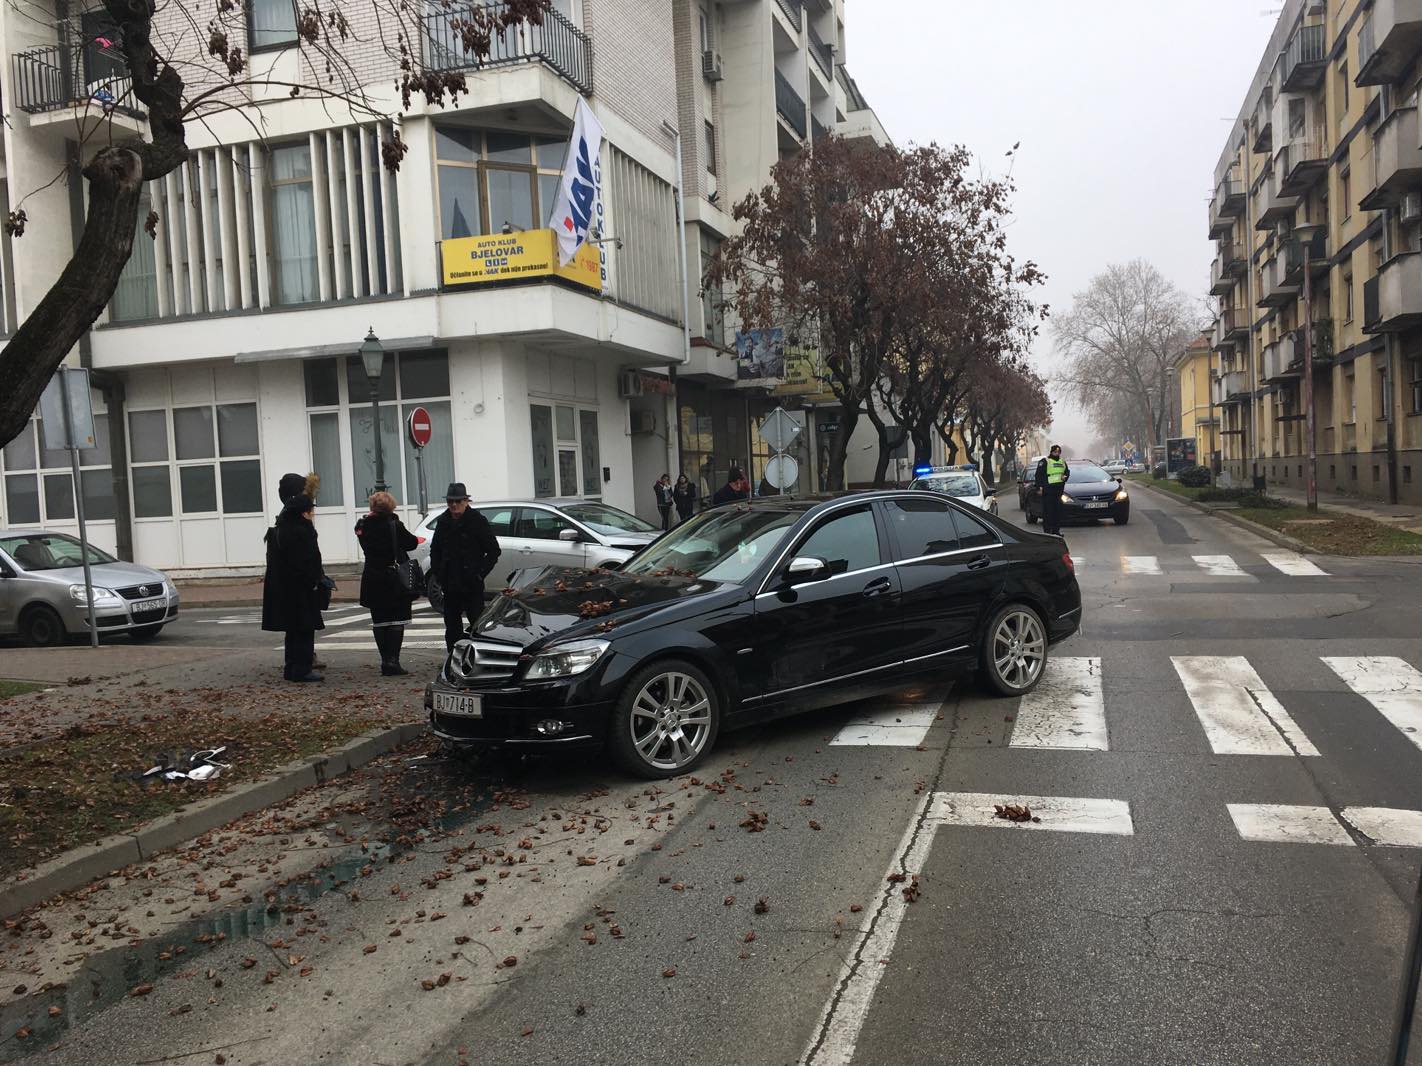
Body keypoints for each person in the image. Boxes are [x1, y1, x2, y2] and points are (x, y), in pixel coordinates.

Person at [429, 482, 501, 652]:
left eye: (458, 501)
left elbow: (493, 551)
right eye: (450, 502)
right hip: (449, 581)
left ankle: (479, 655)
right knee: (452, 624)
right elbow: (435, 549)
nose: (454, 505)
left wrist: (479, 573)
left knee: (476, 621)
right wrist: (439, 572)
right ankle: (452, 657)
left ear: (466, 501)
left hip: (471, 582)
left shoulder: (477, 520)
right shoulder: (443, 521)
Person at [261, 493, 326, 682]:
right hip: (302, 589)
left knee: (292, 630)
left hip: (286, 588)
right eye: (310, 511)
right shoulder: (302, 531)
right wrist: (314, 581)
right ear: (303, 513)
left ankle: (291, 667)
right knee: (305, 629)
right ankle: (302, 669)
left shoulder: (281, 529)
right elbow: (308, 560)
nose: (312, 514)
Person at [355, 492, 419, 676]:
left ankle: (384, 660)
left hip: (372, 576)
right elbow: (411, 543)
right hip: (393, 576)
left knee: (380, 620)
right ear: (391, 506)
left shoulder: (362, 525)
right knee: (397, 618)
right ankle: (393, 661)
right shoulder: (394, 525)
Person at [1034, 444, 1071, 536]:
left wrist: (1065, 477)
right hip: (1048, 490)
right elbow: (1038, 475)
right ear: (1051, 452)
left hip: (1058, 491)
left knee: (1058, 511)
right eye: (1055, 452)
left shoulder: (1062, 462)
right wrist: (1039, 487)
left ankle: (1056, 530)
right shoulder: (1045, 461)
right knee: (1048, 512)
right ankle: (1047, 531)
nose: (1056, 453)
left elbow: (1067, 472)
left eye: (1058, 452)